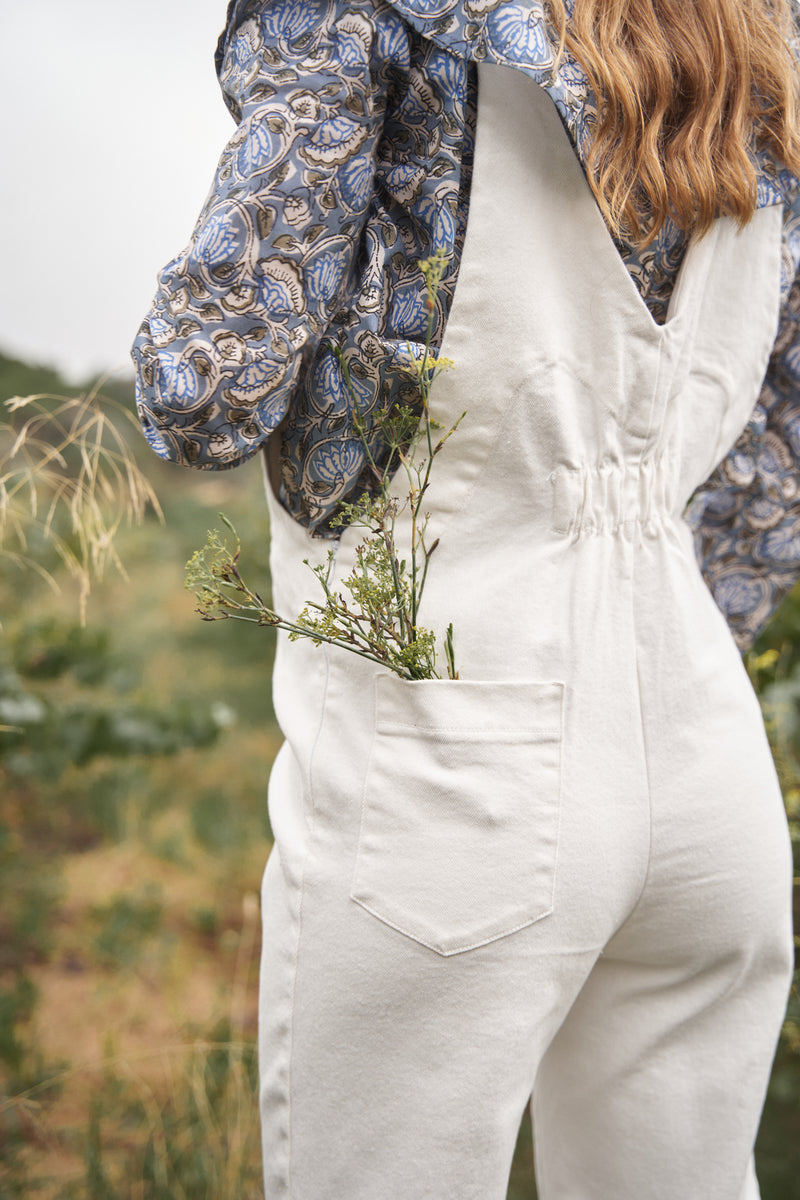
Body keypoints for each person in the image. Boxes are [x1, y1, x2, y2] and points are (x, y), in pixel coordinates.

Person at [132, 0, 800, 1195]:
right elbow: (770, 479)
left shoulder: (365, 14)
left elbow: (206, 392)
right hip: (705, 762)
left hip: (449, 766)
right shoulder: (765, 43)